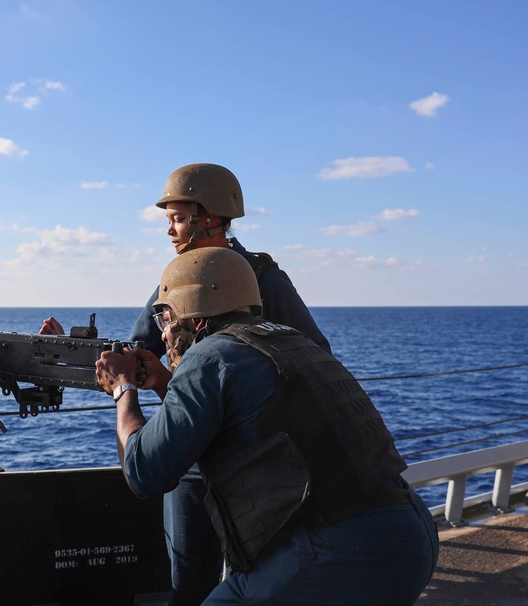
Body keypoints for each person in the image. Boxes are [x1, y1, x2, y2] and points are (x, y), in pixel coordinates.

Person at [42, 163, 331, 604]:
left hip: (251, 462)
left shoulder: (265, 279)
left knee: (261, 579)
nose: (170, 231)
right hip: (194, 458)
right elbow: (136, 354)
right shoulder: (175, 281)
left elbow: (313, 360)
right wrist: (67, 352)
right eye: (169, 220)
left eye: (177, 219)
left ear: (210, 217)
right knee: (189, 583)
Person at [94, 247, 438, 605]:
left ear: (193, 318)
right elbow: (238, 421)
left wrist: (123, 389)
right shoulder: (290, 342)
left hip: (339, 551)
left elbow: (144, 472)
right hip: (411, 536)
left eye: (165, 318)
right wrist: (166, 382)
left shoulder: (208, 355)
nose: (162, 334)